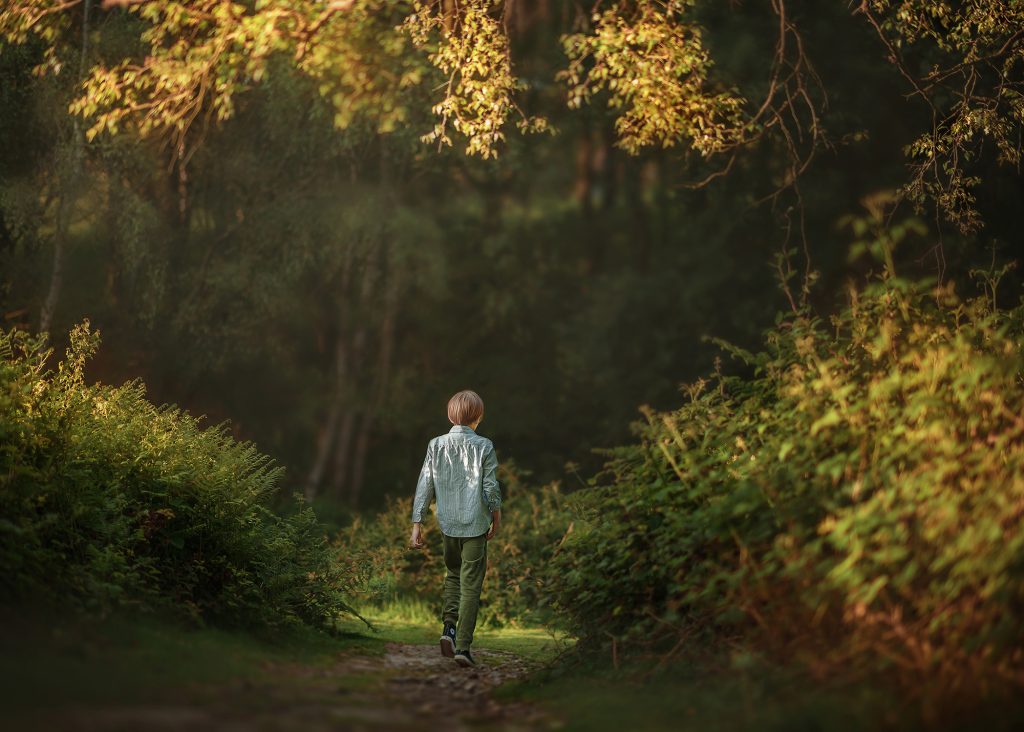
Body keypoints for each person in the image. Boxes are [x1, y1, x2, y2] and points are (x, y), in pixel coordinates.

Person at [410, 389, 502, 668]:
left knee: (452, 575)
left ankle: (448, 629)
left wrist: (417, 523)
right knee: (471, 586)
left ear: (450, 415)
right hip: (475, 525)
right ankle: (463, 647)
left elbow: (425, 484)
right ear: (479, 415)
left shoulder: (435, 444)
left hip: (448, 524)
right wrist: (496, 518)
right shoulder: (484, 445)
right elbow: (490, 487)